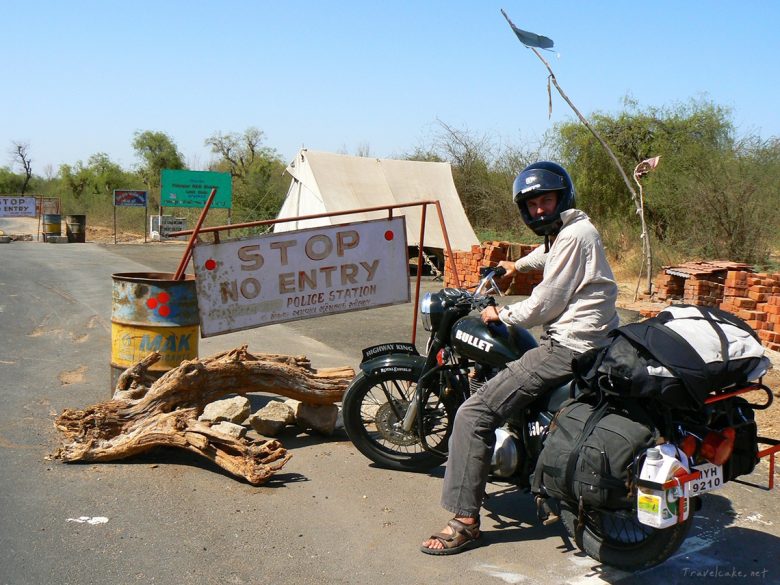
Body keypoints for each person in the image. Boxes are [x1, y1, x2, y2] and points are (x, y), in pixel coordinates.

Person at [420, 161, 619, 555]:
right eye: (532, 204)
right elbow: (549, 257)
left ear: (563, 197)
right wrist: (516, 264)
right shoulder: (573, 232)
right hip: (598, 341)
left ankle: (464, 520)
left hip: (570, 346)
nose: (540, 209)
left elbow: (546, 303)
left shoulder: (574, 235)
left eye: (546, 200)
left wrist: (500, 313)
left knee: (473, 415)